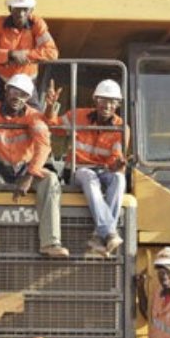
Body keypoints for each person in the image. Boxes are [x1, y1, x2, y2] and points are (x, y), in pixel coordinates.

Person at [0, 69, 66, 259]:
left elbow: (43, 146)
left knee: (51, 180)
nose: (17, 98)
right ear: (6, 91)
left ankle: (51, 242)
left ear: (28, 98)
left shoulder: (34, 117)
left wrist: (29, 175)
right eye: (14, 91)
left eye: (23, 95)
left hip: (25, 169)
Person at [44, 79, 129, 256]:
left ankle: (99, 236)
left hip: (104, 171)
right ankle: (109, 232)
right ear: (95, 100)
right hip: (78, 170)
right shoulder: (78, 115)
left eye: (112, 102)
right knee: (89, 177)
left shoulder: (121, 128)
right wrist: (50, 107)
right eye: (103, 100)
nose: (107, 106)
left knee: (119, 179)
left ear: (118, 105)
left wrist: (117, 165)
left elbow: (114, 160)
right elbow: (54, 127)